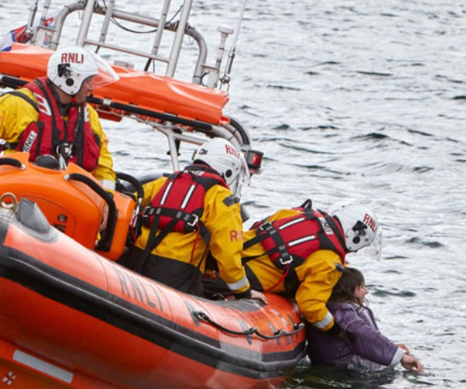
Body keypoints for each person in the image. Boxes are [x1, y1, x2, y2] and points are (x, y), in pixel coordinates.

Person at [0, 46, 117, 199]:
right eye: (88, 82)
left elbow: (103, 163)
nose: (91, 88)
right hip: (17, 192)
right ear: (69, 79)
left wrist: (105, 199)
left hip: (68, 199)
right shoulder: (18, 105)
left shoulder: (89, 116)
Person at [121, 137, 253, 298]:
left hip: (133, 266)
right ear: (229, 170)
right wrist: (244, 292)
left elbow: (125, 204)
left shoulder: (163, 183)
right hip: (175, 281)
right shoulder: (221, 199)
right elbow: (228, 256)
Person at [241, 200, 379, 333]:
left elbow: (259, 227)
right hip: (249, 277)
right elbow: (310, 305)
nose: (355, 251)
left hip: (231, 255)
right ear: (355, 238)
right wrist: (333, 328)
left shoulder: (302, 214)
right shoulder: (329, 262)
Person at [306, 267, 423, 373]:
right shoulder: (343, 311)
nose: (366, 291)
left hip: (334, 369)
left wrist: (391, 348)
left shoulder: (331, 309)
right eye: (362, 286)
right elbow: (359, 332)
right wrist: (399, 356)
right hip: (347, 374)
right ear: (351, 290)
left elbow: (356, 341)